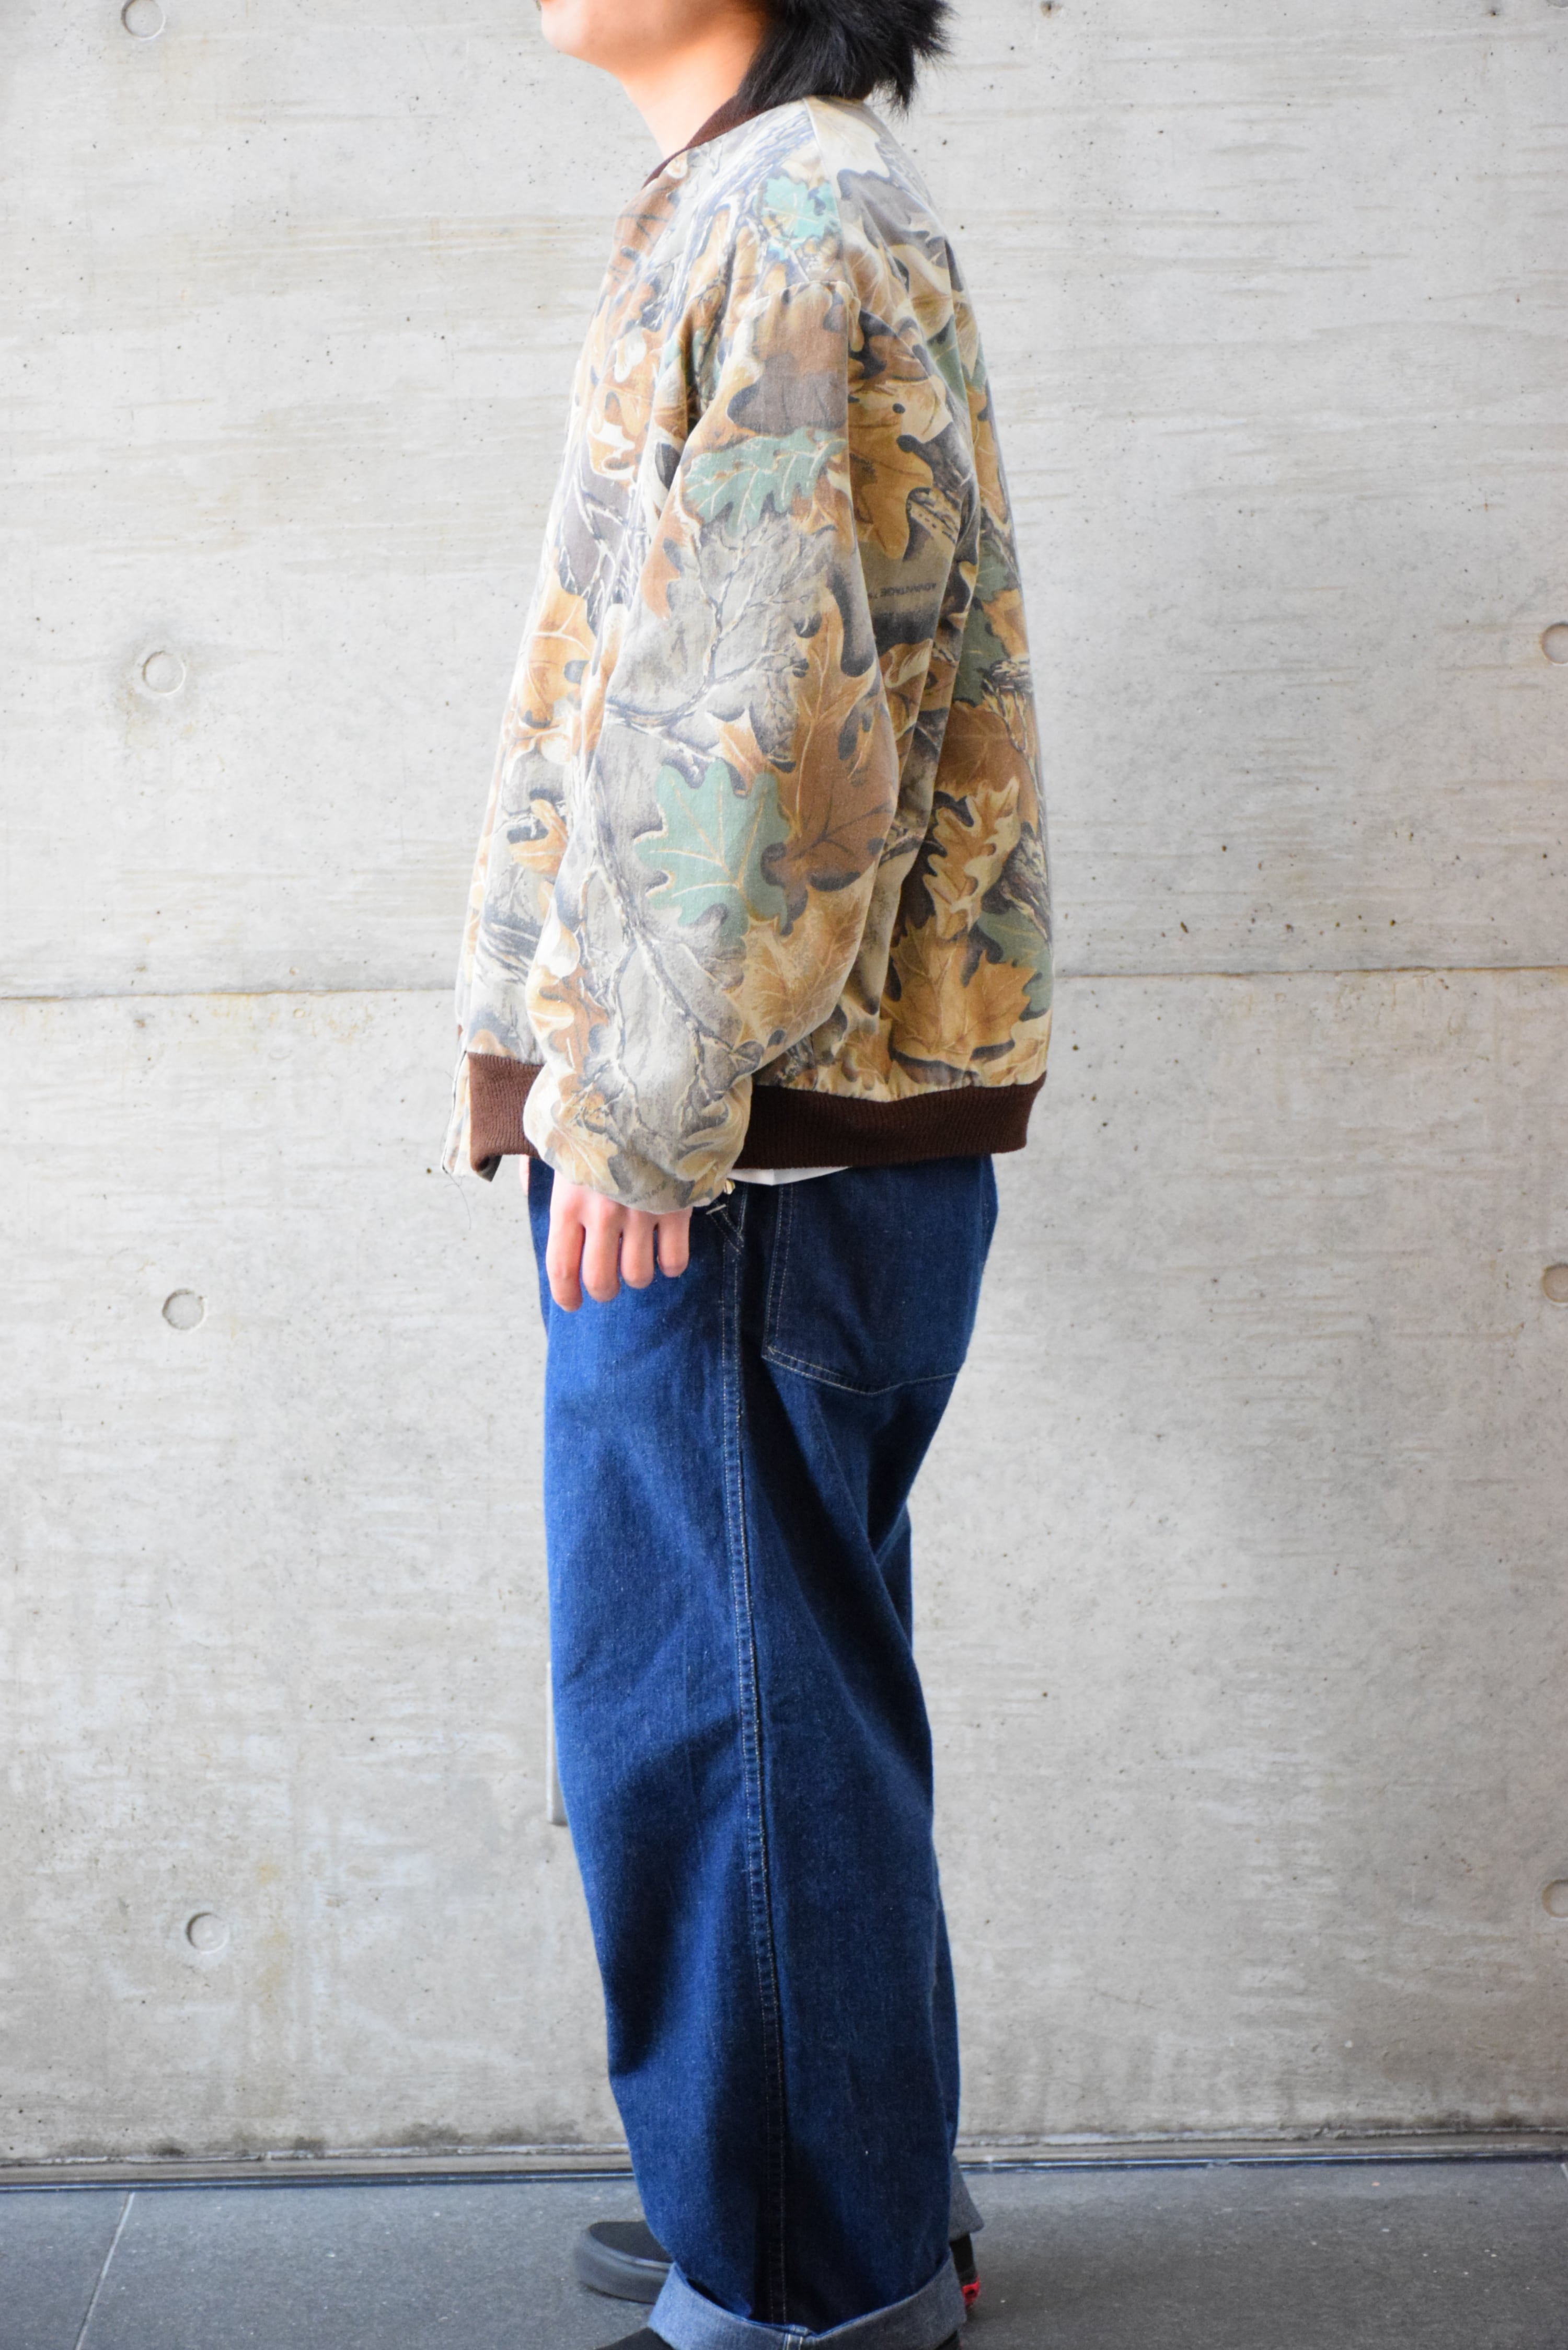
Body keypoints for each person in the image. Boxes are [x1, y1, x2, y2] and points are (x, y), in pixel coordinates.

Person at [442, 1, 1053, 2341]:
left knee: (717, 1726)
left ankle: (806, 2279)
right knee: (791, 1698)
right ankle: (841, 2204)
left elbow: (763, 717)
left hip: (734, 1156)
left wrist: (637, 1107)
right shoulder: (765, 197)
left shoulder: (787, 214)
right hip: (765, 1134)